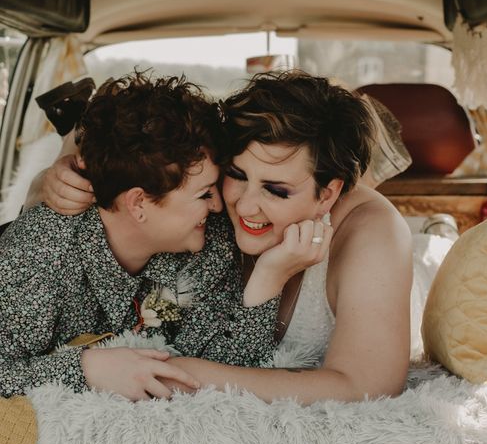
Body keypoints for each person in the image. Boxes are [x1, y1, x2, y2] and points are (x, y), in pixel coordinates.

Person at [40, 71, 413, 404]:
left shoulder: (372, 231)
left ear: (329, 194)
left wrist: (179, 374)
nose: (244, 206)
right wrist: (63, 172)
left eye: (277, 191)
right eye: (235, 174)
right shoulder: (206, 194)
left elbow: (366, 385)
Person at [1, 72, 279, 401]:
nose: (219, 206)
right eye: (204, 193)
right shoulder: (37, 255)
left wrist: (270, 277)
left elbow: (228, 366)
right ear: (139, 203)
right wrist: (88, 369)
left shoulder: (206, 247)